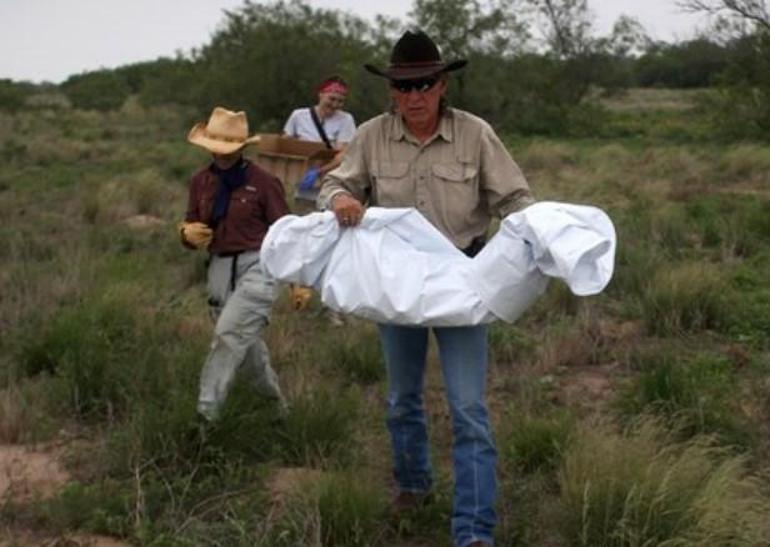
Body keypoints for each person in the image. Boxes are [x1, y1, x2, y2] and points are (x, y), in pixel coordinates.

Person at [317, 30, 535, 547]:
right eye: (404, 87)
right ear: (392, 92)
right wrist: (340, 200)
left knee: (469, 409)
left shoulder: (475, 134)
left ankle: (474, 531)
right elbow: (333, 182)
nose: (415, 97)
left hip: (464, 279)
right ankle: (413, 485)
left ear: (443, 87)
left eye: (425, 85)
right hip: (396, 283)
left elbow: (517, 199)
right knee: (401, 399)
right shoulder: (370, 136)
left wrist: (537, 240)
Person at [180, 106, 289, 422]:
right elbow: (192, 223)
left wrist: (298, 282)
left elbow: (287, 234)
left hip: (258, 266)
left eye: (228, 149)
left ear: (243, 148)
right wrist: (187, 235)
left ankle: (205, 416)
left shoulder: (264, 182)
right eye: (216, 148)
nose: (221, 155)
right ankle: (275, 414)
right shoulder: (200, 181)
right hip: (218, 267)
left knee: (229, 334)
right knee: (246, 346)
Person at [284, 75, 357, 325]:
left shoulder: (346, 120)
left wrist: (320, 171)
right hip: (302, 190)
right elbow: (287, 145)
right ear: (320, 95)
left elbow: (344, 153)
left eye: (340, 100)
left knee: (330, 246)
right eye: (332, 98)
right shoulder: (298, 116)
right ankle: (300, 295)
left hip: (330, 188)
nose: (335, 104)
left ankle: (331, 307)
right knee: (302, 242)